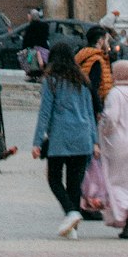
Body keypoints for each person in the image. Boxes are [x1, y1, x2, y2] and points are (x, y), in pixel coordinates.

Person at [32, 40, 100, 238]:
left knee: (54, 178)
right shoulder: (82, 80)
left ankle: (71, 213)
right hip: (83, 137)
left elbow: (45, 113)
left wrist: (37, 142)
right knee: (74, 183)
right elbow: (89, 112)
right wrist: (95, 141)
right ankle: (73, 229)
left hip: (61, 137)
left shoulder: (51, 80)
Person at [99, 58, 128, 238]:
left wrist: (102, 130)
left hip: (117, 143)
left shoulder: (115, 93)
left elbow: (110, 119)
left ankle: (123, 214)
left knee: (116, 181)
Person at [76, 26, 114, 119]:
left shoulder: (83, 55)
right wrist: (99, 109)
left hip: (83, 104)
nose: (108, 44)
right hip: (93, 108)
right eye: (107, 41)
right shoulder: (96, 60)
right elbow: (93, 86)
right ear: (100, 40)